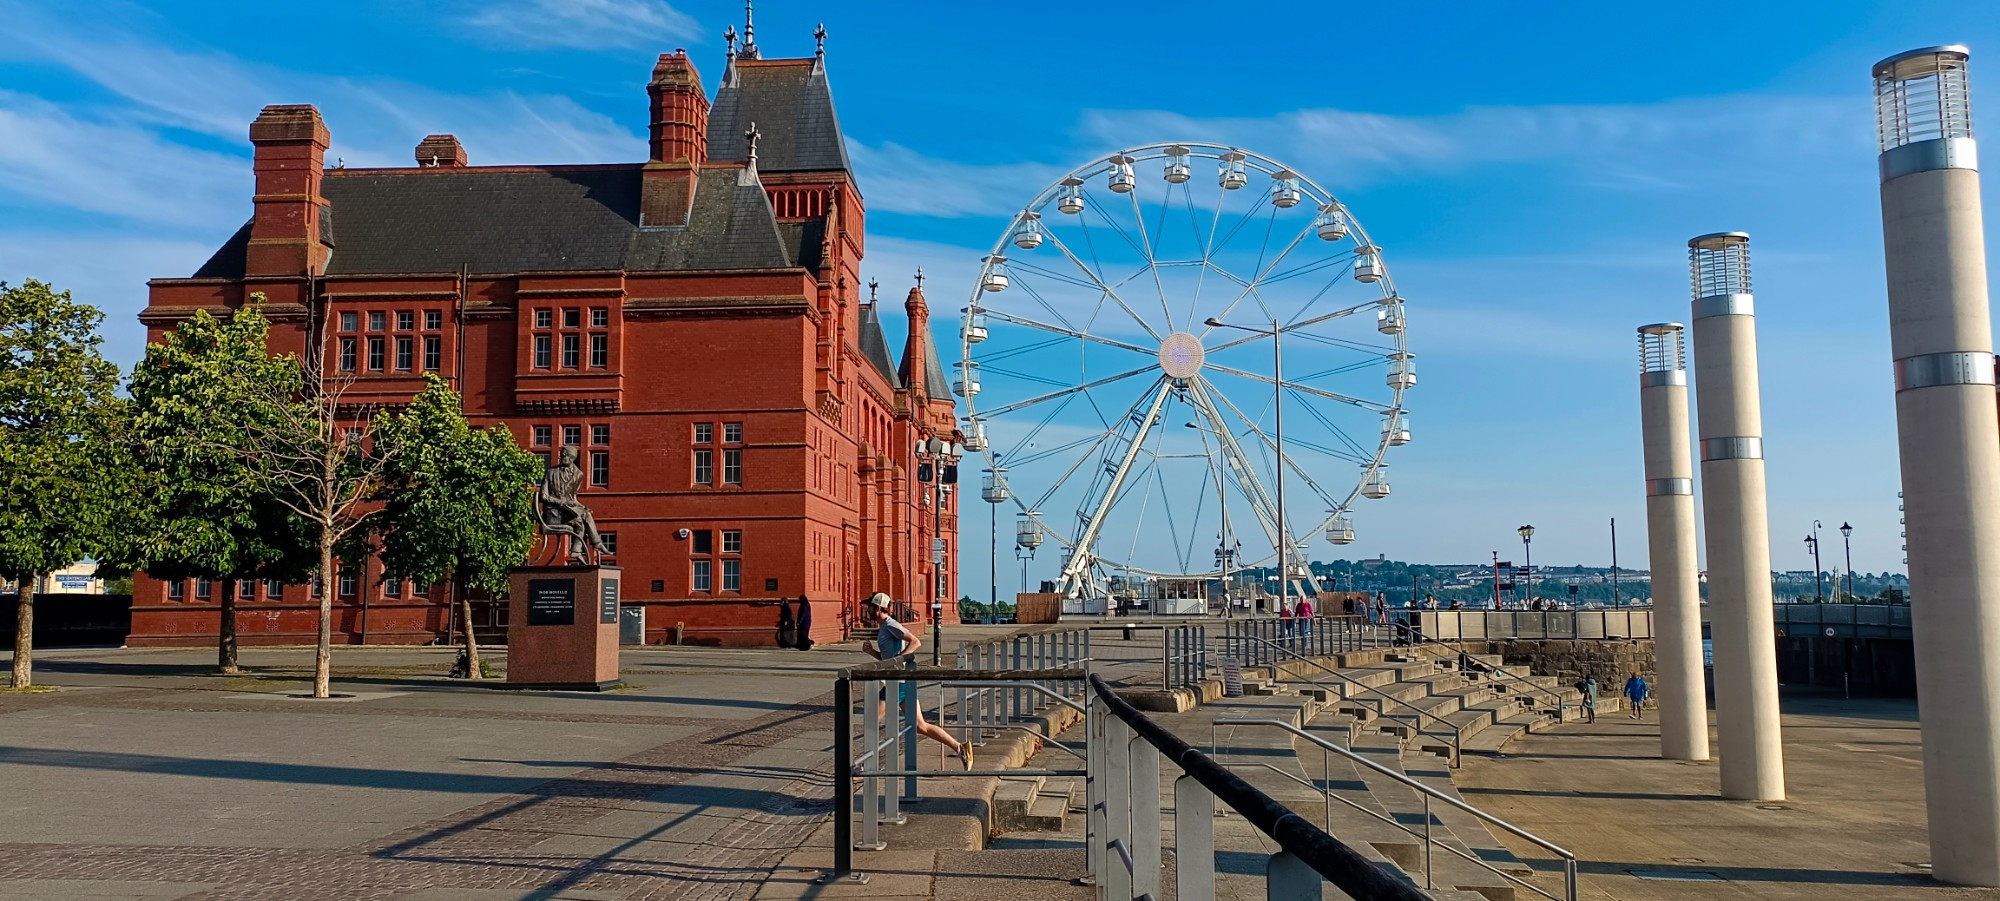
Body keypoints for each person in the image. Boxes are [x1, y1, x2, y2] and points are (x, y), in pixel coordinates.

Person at [860, 593, 972, 770]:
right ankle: (960, 748)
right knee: (921, 726)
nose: (867, 611)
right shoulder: (883, 627)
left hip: (896, 682)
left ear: (879, 608)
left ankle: (866, 766)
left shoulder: (890, 624)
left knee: (872, 720)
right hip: (900, 681)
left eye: (870, 608)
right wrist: (872, 652)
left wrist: (900, 659)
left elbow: (915, 642)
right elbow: (887, 657)